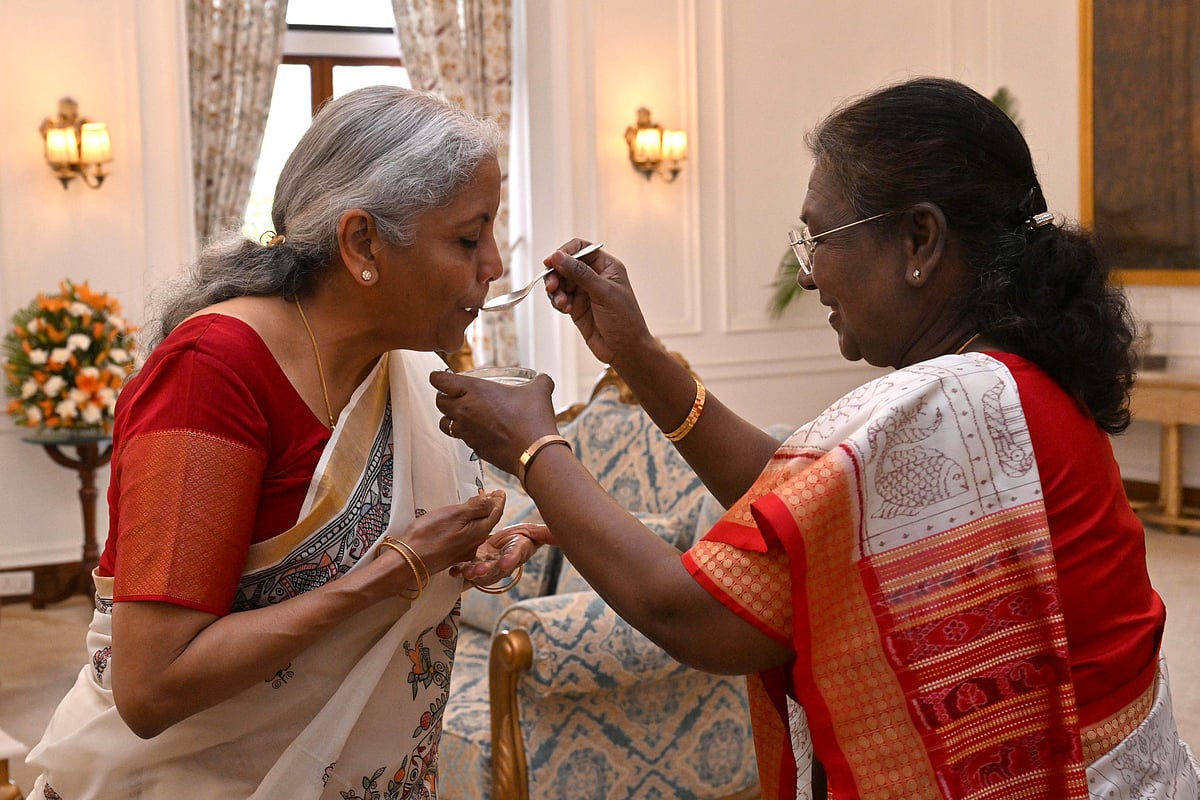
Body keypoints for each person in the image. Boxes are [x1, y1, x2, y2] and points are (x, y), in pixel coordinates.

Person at [431, 77, 1200, 799]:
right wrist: (635, 353)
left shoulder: (949, 400)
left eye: (819, 237)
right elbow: (804, 509)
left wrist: (535, 449)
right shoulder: (1003, 376)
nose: (807, 276)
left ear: (920, 241)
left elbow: (692, 616)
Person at [26, 85, 546, 799]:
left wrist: (462, 553)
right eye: (467, 237)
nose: (493, 264)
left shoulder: (406, 368)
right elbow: (151, 687)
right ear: (362, 242)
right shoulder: (212, 374)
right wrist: (394, 573)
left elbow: (398, 545)